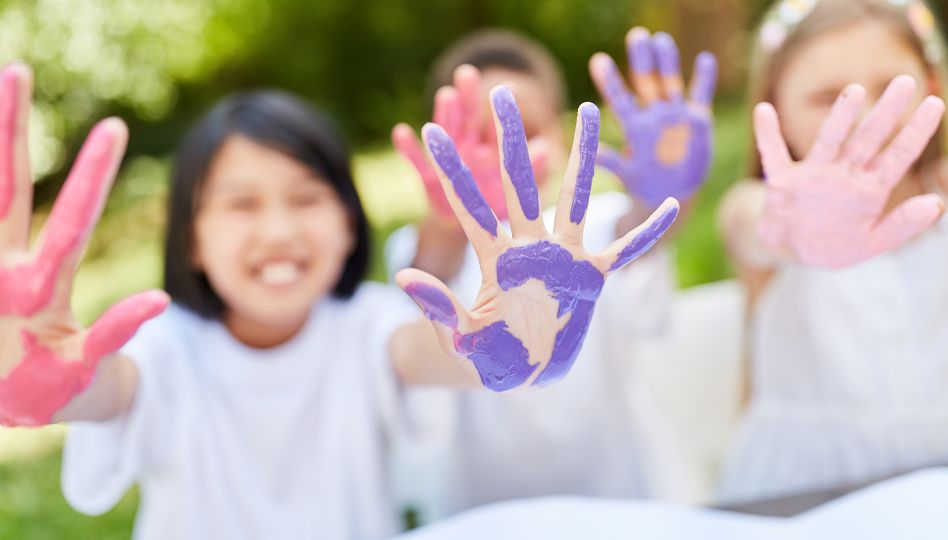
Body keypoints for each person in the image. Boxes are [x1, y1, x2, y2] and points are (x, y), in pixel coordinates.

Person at [0, 61, 675, 539]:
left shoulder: (368, 327)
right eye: (240, 204)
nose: (279, 231)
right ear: (192, 239)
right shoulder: (164, 347)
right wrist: (51, 386)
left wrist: (507, 350)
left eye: (306, 197)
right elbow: (109, 388)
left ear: (351, 221)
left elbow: (431, 352)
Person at [387, 28, 717, 519]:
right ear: (446, 150)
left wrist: (671, 184)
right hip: (489, 511)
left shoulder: (593, 235)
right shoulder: (436, 250)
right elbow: (426, 273)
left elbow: (641, 233)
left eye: (526, 128)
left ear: (563, 140)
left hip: (617, 500)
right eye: (481, 135)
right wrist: (444, 222)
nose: (505, 152)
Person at [717, 0, 948, 504]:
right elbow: (748, 226)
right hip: (800, 491)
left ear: (933, 87)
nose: (866, 116)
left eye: (892, 89)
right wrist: (792, 231)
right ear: (775, 108)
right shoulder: (757, 209)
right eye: (828, 98)